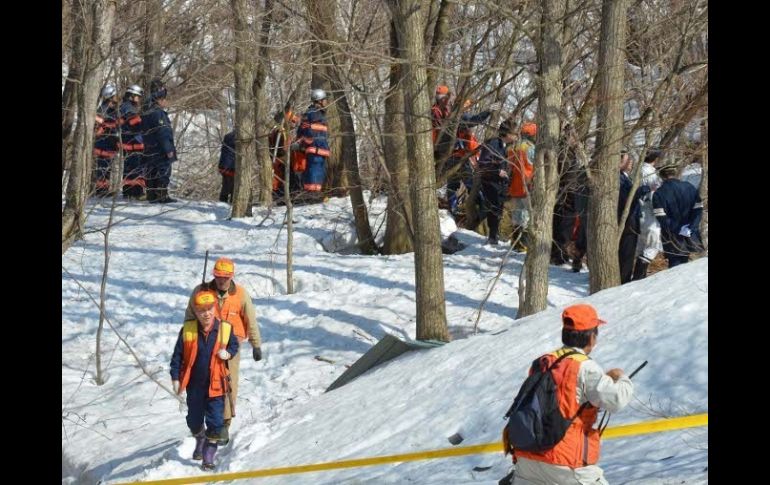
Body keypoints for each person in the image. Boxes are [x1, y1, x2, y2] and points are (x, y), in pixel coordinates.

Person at [510, 303, 634, 485]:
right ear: (591, 337)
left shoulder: (543, 362)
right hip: (566, 463)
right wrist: (621, 377)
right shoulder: (584, 366)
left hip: (528, 459)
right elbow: (616, 399)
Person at [184, 257, 262, 446]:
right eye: (218, 276)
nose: (221, 280)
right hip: (205, 345)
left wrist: (256, 344)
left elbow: (250, 319)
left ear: (231, 277)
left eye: (225, 277)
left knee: (228, 384)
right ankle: (203, 422)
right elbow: (188, 318)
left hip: (231, 347)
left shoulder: (241, 295)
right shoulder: (200, 292)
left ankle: (224, 424)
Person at [170, 290, 239, 470]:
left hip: (216, 386)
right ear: (195, 311)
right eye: (202, 310)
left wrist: (228, 353)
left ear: (214, 308)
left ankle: (208, 456)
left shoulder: (225, 328)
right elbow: (177, 356)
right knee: (193, 421)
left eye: (209, 309)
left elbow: (234, 345)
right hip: (195, 387)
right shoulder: (188, 330)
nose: (206, 314)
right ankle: (200, 437)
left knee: (216, 423)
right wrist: (175, 377)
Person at [652, 164, 703, 268]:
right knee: (684, 266)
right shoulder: (689, 187)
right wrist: (691, 227)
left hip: (672, 235)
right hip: (689, 233)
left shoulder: (659, 193)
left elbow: (661, 217)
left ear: (661, 176)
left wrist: (679, 228)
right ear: (675, 173)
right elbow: (698, 209)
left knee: (675, 267)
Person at [476, 120, 517, 245]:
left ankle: (495, 234)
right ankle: (492, 236)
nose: (516, 136)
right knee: (493, 209)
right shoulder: (493, 143)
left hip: (499, 183)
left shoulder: (504, 146)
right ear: (507, 133)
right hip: (491, 182)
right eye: (514, 133)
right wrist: (497, 171)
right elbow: (483, 163)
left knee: (498, 209)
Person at [142, 86, 178, 203]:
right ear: (159, 99)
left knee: (151, 171)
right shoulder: (158, 114)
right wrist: (168, 149)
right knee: (163, 170)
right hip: (159, 149)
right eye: (164, 99)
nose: (165, 102)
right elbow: (163, 133)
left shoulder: (146, 112)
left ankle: (151, 195)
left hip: (149, 148)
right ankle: (161, 195)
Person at [293, 89, 330, 194]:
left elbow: (302, 130)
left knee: (316, 172)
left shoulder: (314, 113)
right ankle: (313, 194)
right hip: (316, 149)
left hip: (318, 149)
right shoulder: (314, 114)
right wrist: (307, 142)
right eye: (324, 100)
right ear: (319, 101)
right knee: (315, 172)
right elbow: (306, 131)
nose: (326, 102)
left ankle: (313, 193)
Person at [508, 122, 537, 252]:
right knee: (526, 216)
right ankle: (524, 244)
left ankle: (515, 243)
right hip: (528, 186)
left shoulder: (512, 147)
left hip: (515, 186)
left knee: (516, 216)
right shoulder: (531, 148)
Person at [119, 84, 146, 199]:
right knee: (136, 169)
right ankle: (136, 193)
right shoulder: (127, 107)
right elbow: (133, 123)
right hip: (133, 143)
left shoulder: (128, 107)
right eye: (137, 97)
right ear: (131, 96)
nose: (139, 99)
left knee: (130, 169)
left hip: (131, 142)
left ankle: (129, 192)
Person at [93, 85, 120, 196]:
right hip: (103, 144)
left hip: (108, 143)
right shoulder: (104, 110)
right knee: (103, 169)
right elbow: (103, 126)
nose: (117, 97)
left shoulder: (110, 109)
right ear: (110, 96)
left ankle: (104, 190)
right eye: (115, 95)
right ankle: (101, 191)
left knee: (106, 169)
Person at [269, 111, 301, 199]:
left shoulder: (282, 131)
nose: (293, 124)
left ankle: (289, 193)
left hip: (281, 160)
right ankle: (286, 195)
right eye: (292, 121)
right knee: (290, 176)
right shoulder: (280, 131)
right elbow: (280, 149)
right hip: (280, 161)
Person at [217, 130, 236, 203]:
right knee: (230, 186)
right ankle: (226, 202)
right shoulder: (238, 138)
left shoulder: (227, 136)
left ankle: (224, 201)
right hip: (230, 166)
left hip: (224, 165)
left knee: (226, 184)